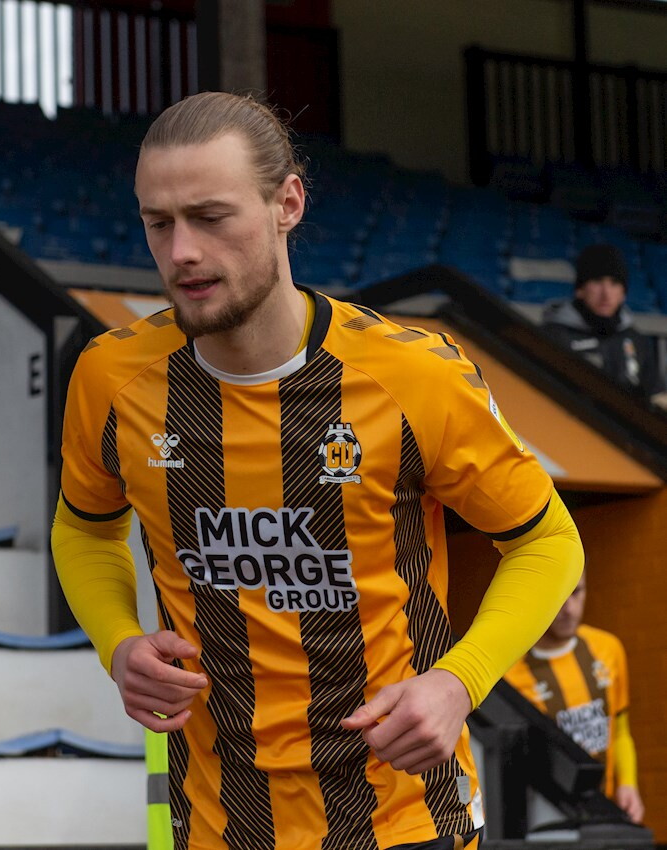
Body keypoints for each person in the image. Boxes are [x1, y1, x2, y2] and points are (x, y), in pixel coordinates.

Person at [51, 91, 583, 850]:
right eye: (158, 224)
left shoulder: (414, 376)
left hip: (405, 820)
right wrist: (118, 642)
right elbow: (84, 530)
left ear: (287, 204)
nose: (182, 252)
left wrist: (457, 683)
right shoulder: (110, 378)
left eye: (210, 216)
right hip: (213, 823)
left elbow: (548, 543)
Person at [505, 572, 644, 824]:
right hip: (550, 823)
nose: (568, 608)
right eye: (558, 594)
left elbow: (620, 731)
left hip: (607, 812)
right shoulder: (511, 673)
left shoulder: (608, 648)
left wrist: (628, 783)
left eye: (576, 591)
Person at [542, 243, 667, 408]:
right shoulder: (553, 336)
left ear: (623, 294)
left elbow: (656, 395)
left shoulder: (637, 340)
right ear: (580, 289)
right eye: (597, 281)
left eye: (614, 283)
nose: (606, 293)